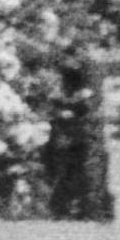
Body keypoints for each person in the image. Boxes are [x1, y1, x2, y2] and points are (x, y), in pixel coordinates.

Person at [44, 60, 104, 221]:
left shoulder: (85, 95)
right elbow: (49, 110)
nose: (69, 81)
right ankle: (60, 208)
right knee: (62, 173)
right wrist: (59, 113)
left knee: (80, 173)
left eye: (72, 77)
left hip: (80, 139)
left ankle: (83, 208)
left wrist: (75, 113)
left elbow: (90, 112)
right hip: (61, 139)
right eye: (67, 77)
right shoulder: (57, 94)